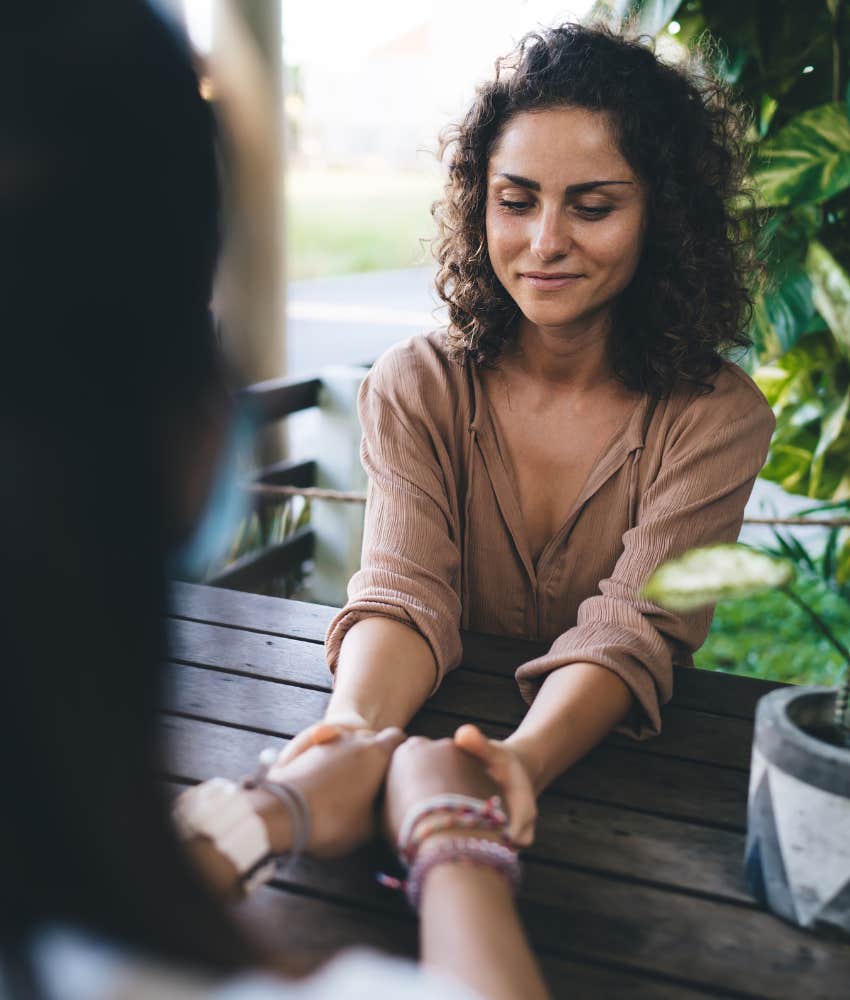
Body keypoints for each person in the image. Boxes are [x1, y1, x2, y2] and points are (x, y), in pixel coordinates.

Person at [0, 3, 549, 999]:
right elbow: (403, 575)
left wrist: (268, 807)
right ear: (194, 429)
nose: (547, 239)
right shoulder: (419, 376)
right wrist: (449, 832)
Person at [280, 23, 776, 844]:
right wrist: (355, 732)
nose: (545, 243)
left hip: (619, 797)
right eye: (516, 201)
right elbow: (403, 594)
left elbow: (634, 627)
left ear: (664, 218)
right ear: (482, 203)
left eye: (593, 207)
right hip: (417, 750)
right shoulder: (417, 385)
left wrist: (523, 761)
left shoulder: (717, 419)